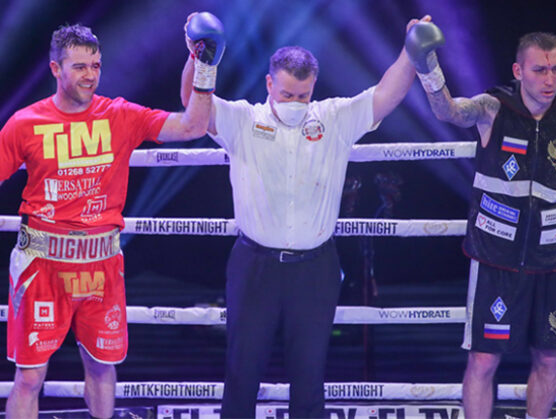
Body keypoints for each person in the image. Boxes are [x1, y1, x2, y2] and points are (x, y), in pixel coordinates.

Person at [180, 12, 430, 419]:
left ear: (313, 88)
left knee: (309, 378)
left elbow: (386, 94)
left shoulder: (332, 118)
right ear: (269, 85)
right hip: (254, 265)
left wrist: (409, 53)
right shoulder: (243, 119)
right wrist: (198, 57)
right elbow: (194, 107)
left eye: (303, 95)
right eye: (287, 94)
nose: (295, 103)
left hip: (316, 268)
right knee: (241, 374)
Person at [0, 18, 223, 418]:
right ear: (56, 69)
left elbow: (192, 126)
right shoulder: (26, 124)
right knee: (30, 377)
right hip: (42, 265)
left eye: (96, 66)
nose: (90, 76)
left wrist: (204, 69)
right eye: (80, 67)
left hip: (100, 267)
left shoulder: (119, 115)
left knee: (103, 367)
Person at [405, 24, 556, 418]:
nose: (550, 79)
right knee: (484, 360)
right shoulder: (493, 107)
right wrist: (426, 64)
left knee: (550, 358)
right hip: (496, 256)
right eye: (540, 70)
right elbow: (448, 111)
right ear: (518, 71)